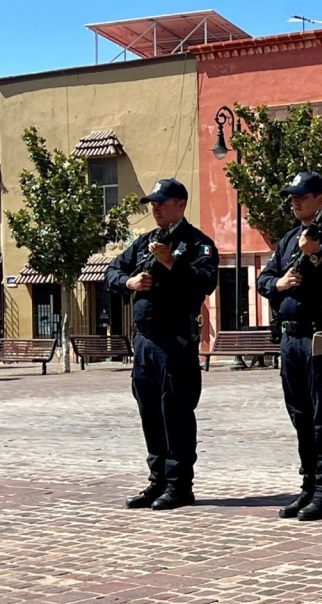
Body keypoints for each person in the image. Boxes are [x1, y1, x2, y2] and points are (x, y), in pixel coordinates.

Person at [107, 178, 219, 510]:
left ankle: (179, 485)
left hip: (175, 341)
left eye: (162, 202)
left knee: (176, 412)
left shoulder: (198, 244)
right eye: (152, 204)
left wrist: (172, 263)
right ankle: (157, 481)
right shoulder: (145, 241)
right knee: (150, 411)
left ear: (180, 204)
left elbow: (205, 282)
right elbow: (112, 271)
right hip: (145, 341)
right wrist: (129, 282)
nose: (155, 208)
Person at [256, 171, 322, 521]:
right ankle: (308, 486)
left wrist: (317, 257)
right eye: (293, 196)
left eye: (302, 195)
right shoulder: (288, 240)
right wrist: (280, 283)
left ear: (321, 199)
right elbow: (265, 279)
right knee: (300, 415)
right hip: (291, 338)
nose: (295, 201)